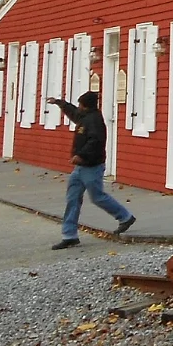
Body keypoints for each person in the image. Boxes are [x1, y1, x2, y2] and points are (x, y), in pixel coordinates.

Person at [47, 90, 135, 248]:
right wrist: (59, 102)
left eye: (81, 104)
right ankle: (69, 235)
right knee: (72, 199)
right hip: (79, 169)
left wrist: (81, 155)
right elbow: (72, 111)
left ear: (87, 106)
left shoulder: (94, 121)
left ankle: (125, 216)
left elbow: (96, 141)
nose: (78, 107)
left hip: (92, 166)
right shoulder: (83, 116)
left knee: (97, 197)